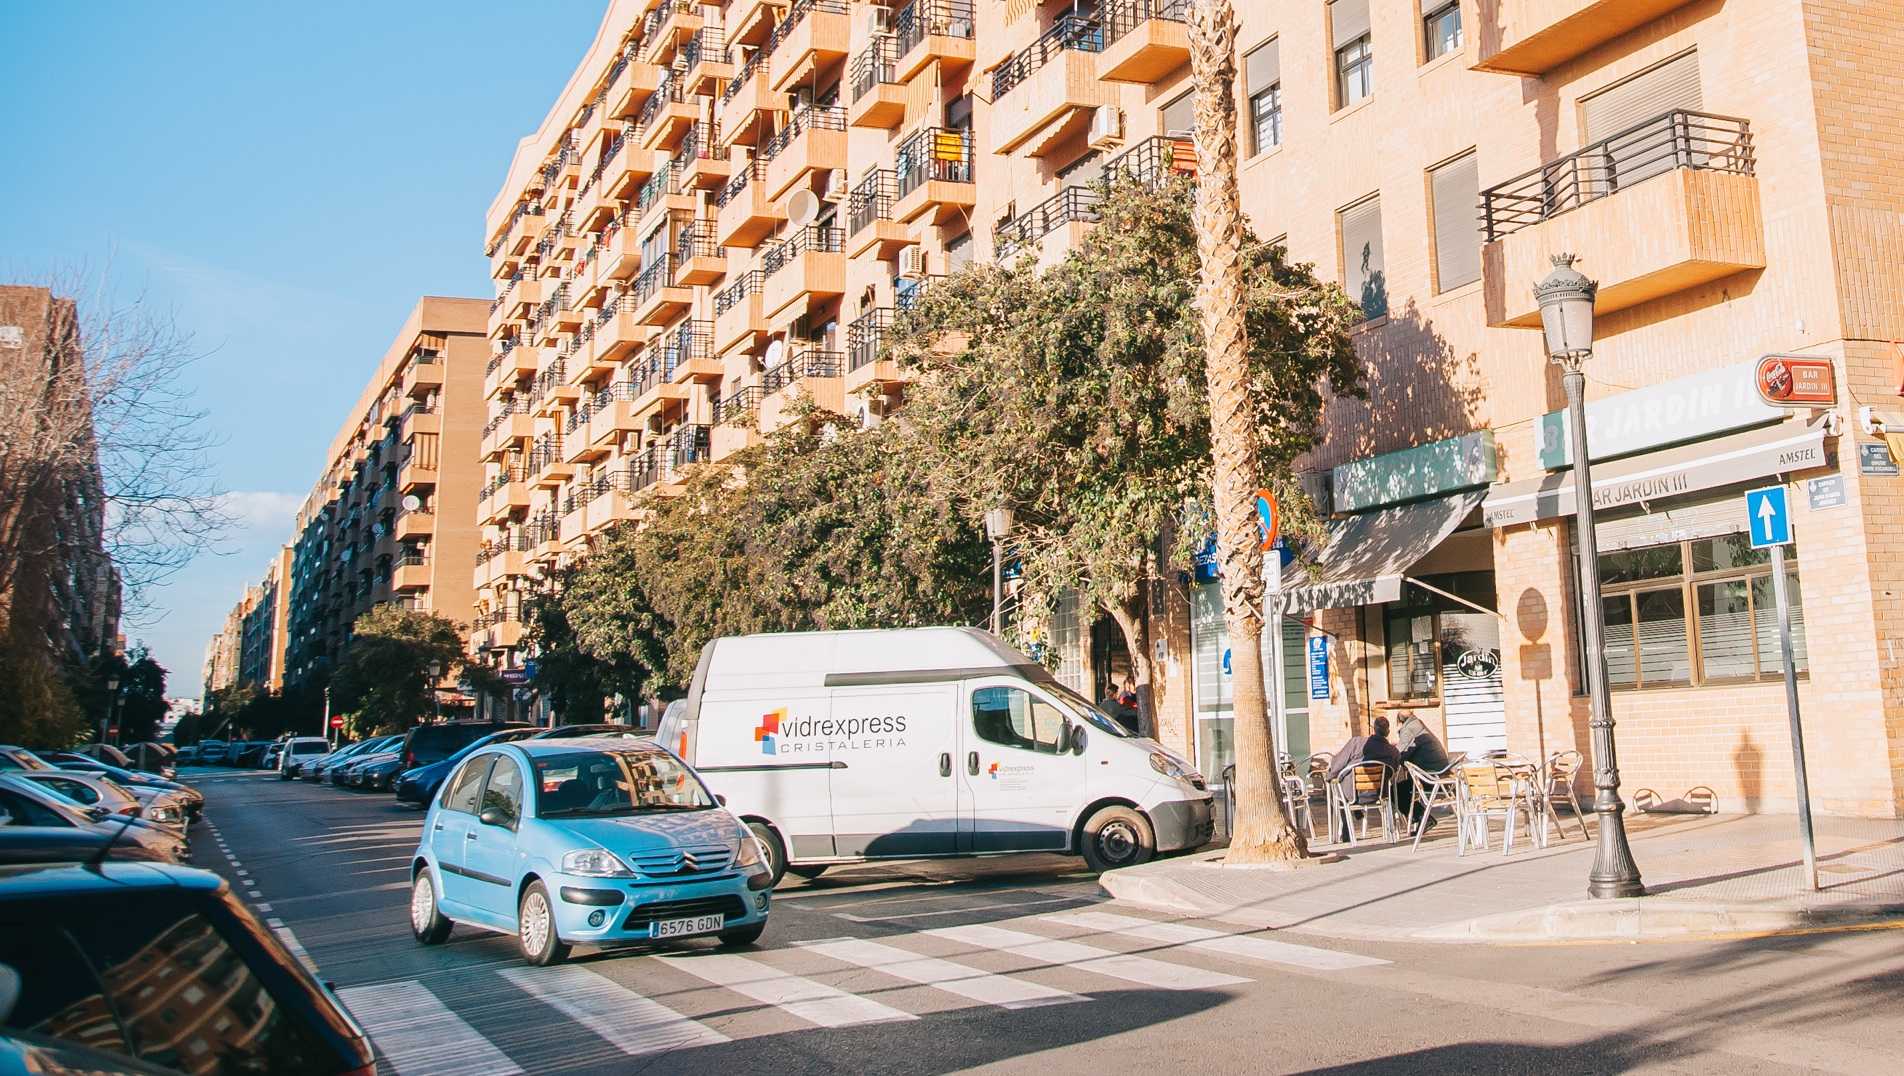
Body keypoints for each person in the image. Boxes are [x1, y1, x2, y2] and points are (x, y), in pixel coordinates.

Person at [1326, 717, 1400, 841]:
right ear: (1388, 732)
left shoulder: (1357, 743)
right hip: (1379, 794)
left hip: (1351, 794)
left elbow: (1338, 762)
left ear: (1373, 729)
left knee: (1336, 788)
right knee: (1341, 784)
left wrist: (1329, 776)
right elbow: (1395, 771)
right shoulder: (1393, 752)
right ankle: (1359, 814)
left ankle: (1346, 830)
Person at [1393, 715, 1451, 833]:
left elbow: (1401, 756)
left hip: (1431, 780)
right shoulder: (1423, 733)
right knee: (1403, 788)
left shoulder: (1411, 733)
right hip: (1440, 777)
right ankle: (1419, 817)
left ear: (1400, 723)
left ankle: (1422, 817)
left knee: (1396, 790)